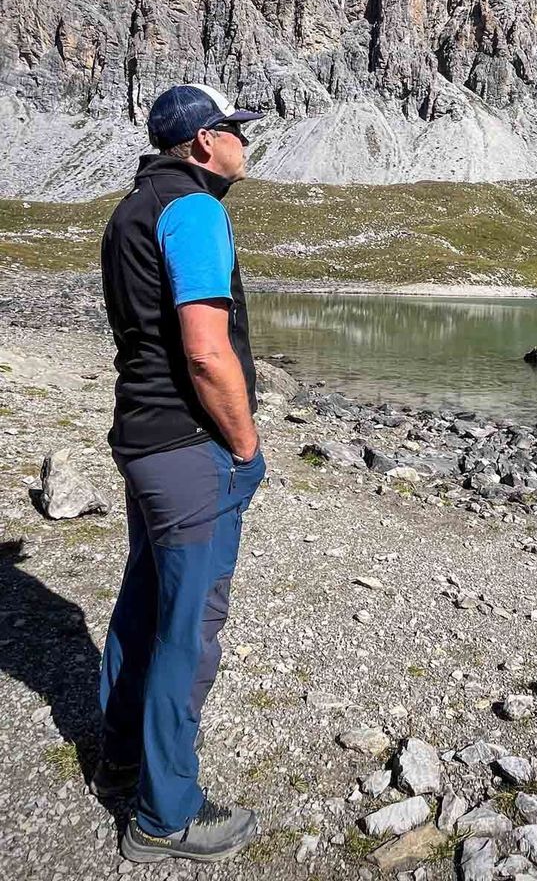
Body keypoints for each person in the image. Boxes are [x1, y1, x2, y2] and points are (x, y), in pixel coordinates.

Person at [95, 84, 266, 864]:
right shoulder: (196, 209)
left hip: (140, 439)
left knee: (143, 597)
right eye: (234, 129)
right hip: (189, 450)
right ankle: (166, 816)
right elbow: (204, 348)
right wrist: (243, 442)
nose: (243, 142)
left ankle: (120, 753)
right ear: (202, 142)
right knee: (188, 629)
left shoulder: (131, 206)